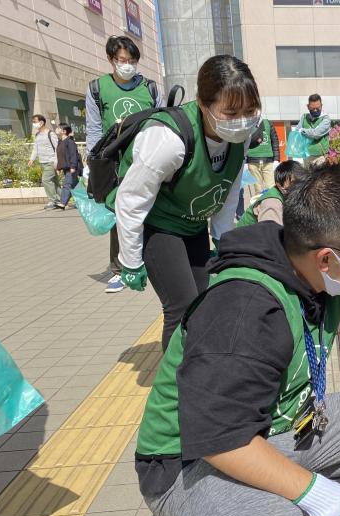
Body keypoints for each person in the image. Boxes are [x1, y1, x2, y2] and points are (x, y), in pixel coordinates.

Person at [135, 164, 340, 516]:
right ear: (327, 258)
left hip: (268, 427)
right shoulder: (244, 313)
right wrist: (316, 494)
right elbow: (221, 439)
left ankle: (264, 503)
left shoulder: (308, 265)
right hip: (187, 461)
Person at [108, 55, 260, 350]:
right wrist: (130, 260)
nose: (242, 120)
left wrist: (222, 241)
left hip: (193, 226)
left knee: (204, 302)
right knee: (181, 308)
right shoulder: (168, 140)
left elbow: (228, 191)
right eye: (230, 112)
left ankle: (199, 370)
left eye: (250, 110)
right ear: (203, 104)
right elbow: (130, 200)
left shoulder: (240, 137)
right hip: (158, 226)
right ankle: (173, 391)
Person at [86, 35, 164, 294]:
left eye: (132, 61)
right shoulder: (98, 88)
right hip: (116, 161)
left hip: (148, 157)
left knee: (155, 209)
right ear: (111, 60)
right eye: (122, 60)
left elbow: (164, 119)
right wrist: (93, 162)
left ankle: (155, 260)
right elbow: (94, 129)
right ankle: (120, 269)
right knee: (120, 211)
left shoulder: (150, 88)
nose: (127, 65)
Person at [236, 160, 305, 227]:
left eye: (300, 182)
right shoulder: (272, 203)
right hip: (246, 237)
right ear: (279, 185)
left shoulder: (291, 196)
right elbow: (270, 234)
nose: (297, 187)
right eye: (292, 183)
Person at [27, 115, 60, 210]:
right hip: (43, 162)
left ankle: (53, 201)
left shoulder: (51, 134)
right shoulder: (37, 135)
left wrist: (56, 162)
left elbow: (57, 148)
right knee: (54, 182)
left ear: (41, 122)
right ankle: (64, 198)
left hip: (51, 161)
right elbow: (35, 148)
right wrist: (31, 159)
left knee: (46, 180)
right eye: (33, 121)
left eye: (35, 121)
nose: (34, 124)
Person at [246, 117, 280, 195]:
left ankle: (272, 205)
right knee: (258, 189)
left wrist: (276, 159)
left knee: (271, 187)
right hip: (252, 161)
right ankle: (259, 205)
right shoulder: (247, 124)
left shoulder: (267, 123)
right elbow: (243, 142)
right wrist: (244, 160)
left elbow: (274, 140)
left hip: (268, 161)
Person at [54, 123, 83, 210]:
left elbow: (73, 155)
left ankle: (62, 203)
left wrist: (73, 166)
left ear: (64, 131)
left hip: (72, 167)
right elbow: (60, 156)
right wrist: (58, 168)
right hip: (66, 167)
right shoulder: (60, 142)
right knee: (76, 187)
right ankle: (83, 201)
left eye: (58, 128)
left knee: (67, 184)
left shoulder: (70, 142)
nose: (56, 129)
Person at [297, 94, 331, 168]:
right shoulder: (304, 117)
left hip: (320, 157)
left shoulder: (326, 119)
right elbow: (297, 131)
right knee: (307, 179)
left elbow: (316, 134)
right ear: (308, 106)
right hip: (306, 156)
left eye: (318, 108)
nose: (315, 110)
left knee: (319, 179)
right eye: (312, 108)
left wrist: (302, 130)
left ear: (321, 105)